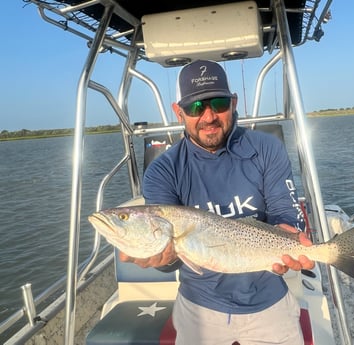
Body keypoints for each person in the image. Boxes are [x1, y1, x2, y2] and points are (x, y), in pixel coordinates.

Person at [120, 59, 314, 345]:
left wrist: (292, 236)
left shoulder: (267, 148)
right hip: (199, 308)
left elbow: (285, 212)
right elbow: (170, 256)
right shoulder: (162, 171)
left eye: (219, 103)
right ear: (179, 112)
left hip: (269, 300)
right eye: (195, 107)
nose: (208, 116)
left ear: (233, 103)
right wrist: (162, 259)